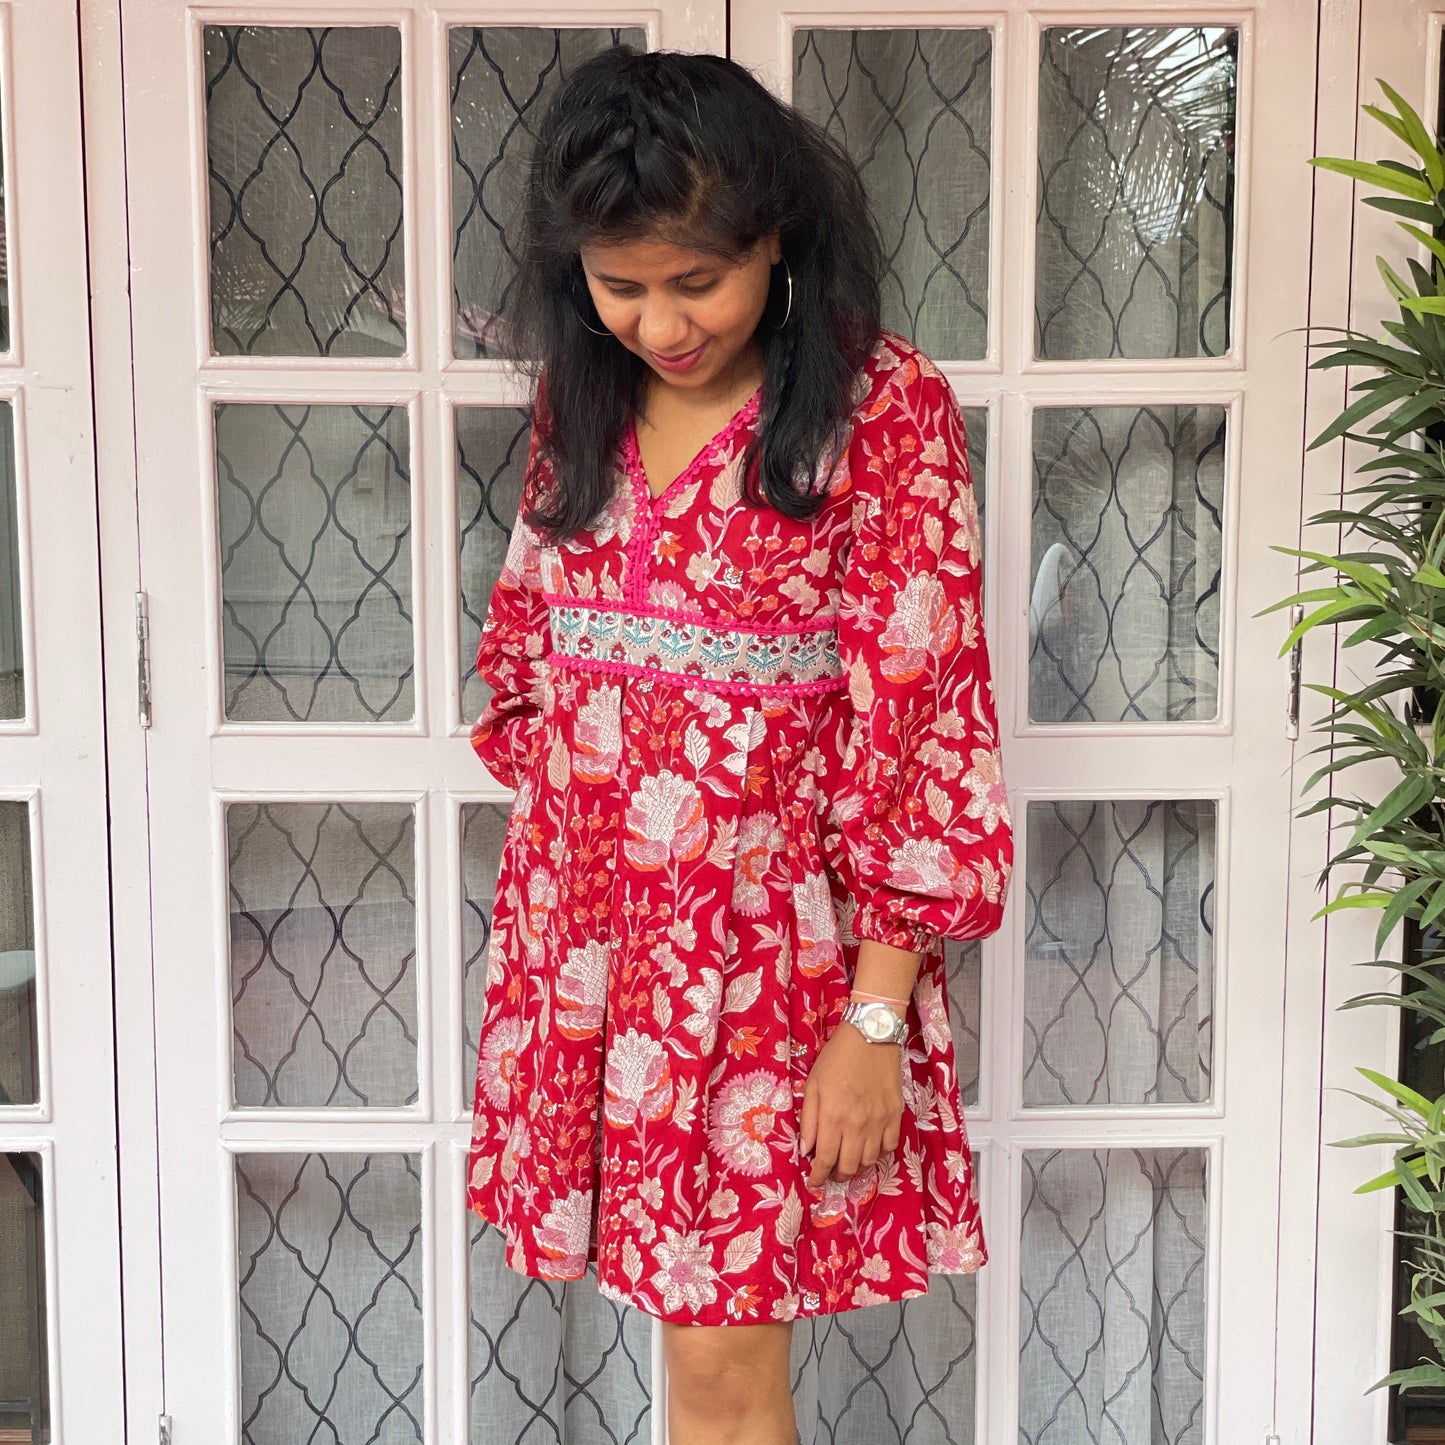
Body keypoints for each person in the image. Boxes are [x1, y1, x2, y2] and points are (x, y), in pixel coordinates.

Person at [466, 45, 1012, 1445]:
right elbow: (527, 667)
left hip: (772, 970)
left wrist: (873, 1021)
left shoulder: (880, 410)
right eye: (619, 283)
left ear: (774, 236)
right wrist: (565, 926)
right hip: (589, 951)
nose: (658, 323)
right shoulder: (574, 406)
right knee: (679, 1345)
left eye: (694, 278)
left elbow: (926, 719)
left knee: (718, 1368)